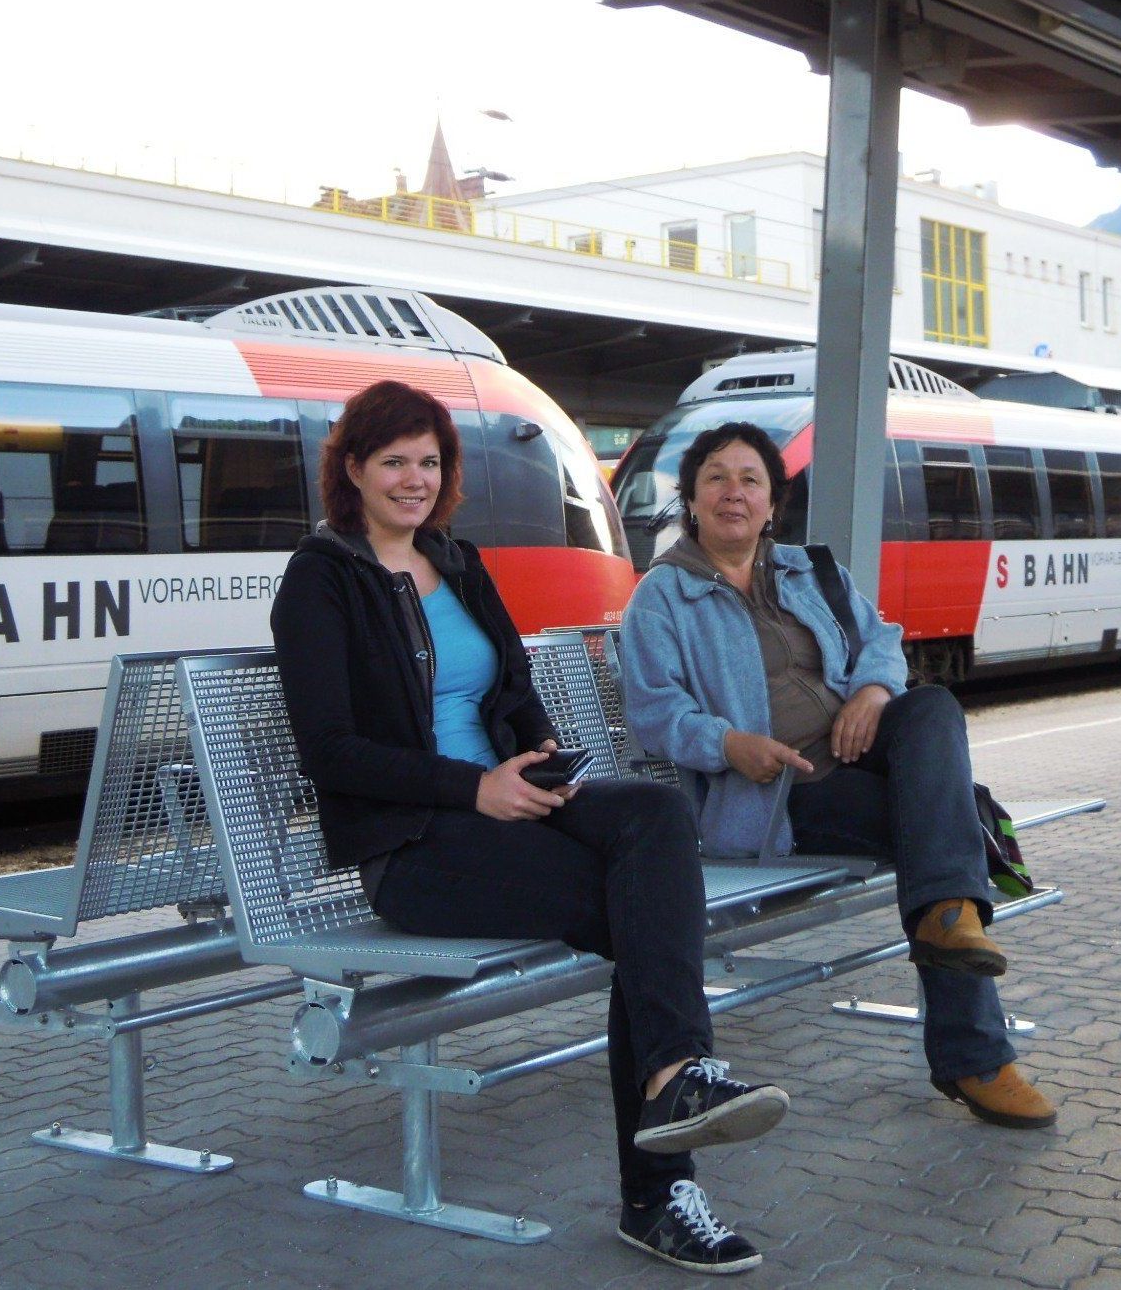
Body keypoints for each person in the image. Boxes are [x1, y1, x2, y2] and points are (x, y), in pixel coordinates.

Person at [271, 382, 790, 1274]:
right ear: (352, 468)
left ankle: (674, 1086)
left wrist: (534, 751)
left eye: (429, 461)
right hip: (416, 848)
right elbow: (331, 752)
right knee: (643, 914)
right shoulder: (320, 580)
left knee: (658, 815)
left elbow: (511, 688)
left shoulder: (459, 564)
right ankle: (661, 1180)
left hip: (510, 802)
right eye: (394, 460)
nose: (414, 479)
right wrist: (474, 788)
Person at [619, 421, 1056, 1130]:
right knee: (943, 836)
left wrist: (874, 693)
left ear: (771, 502)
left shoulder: (807, 570)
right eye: (717, 479)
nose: (735, 493)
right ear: (692, 502)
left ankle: (952, 924)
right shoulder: (662, 598)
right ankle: (975, 1050)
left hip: (864, 750)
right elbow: (657, 715)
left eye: (751, 479)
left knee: (932, 706)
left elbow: (880, 641)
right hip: (781, 791)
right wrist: (731, 744)